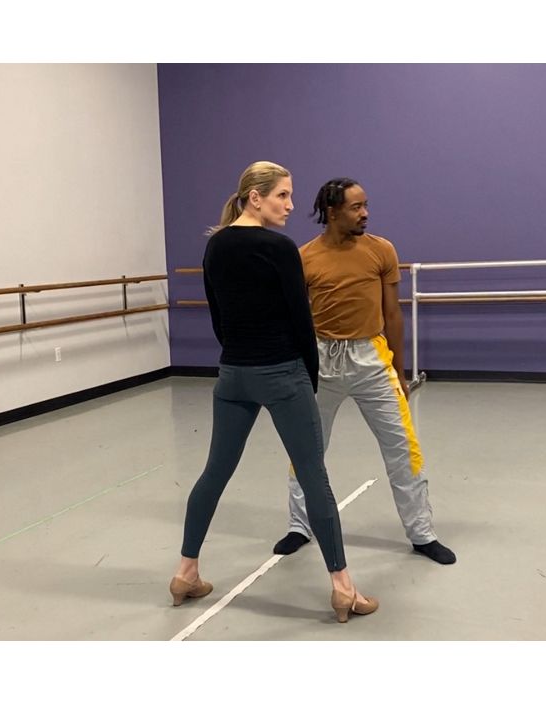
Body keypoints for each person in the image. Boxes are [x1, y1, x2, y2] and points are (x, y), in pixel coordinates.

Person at [170, 162, 378, 623]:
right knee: (314, 476)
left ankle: (186, 573)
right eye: (282, 195)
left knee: (214, 473)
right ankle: (344, 588)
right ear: (255, 197)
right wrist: (308, 376)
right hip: (282, 372)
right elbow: (301, 320)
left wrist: (239, 356)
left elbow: (218, 317)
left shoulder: (215, 245)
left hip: (233, 375)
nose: (289, 205)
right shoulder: (279, 248)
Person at [271, 177, 456, 566]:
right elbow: (293, 319)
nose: (365, 213)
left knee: (403, 448)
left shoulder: (381, 250)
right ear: (332, 212)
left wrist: (400, 371)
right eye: (356, 207)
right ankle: (299, 526)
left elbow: (393, 313)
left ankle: (422, 534)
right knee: (306, 448)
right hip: (320, 360)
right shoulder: (304, 257)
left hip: (371, 359)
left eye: (365, 205)